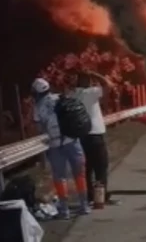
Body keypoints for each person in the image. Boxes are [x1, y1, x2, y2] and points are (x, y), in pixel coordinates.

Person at [30, 78, 90, 217]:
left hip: (55, 145)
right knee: (79, 174)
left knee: (59, 177)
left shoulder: (38, 107)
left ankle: (64, 209)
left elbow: (39, 128)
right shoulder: (60, 98)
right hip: (72, 140)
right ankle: (84, 205)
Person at [73, 72, 119, 206]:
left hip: (81, 136)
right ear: (88, 81)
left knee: (88, 167)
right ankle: (100, 197)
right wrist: (94, 73)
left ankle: (90, 196)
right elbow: (108, 84)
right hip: (95, 135)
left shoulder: (74, 94)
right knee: (101, 166)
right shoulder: (91, 93)